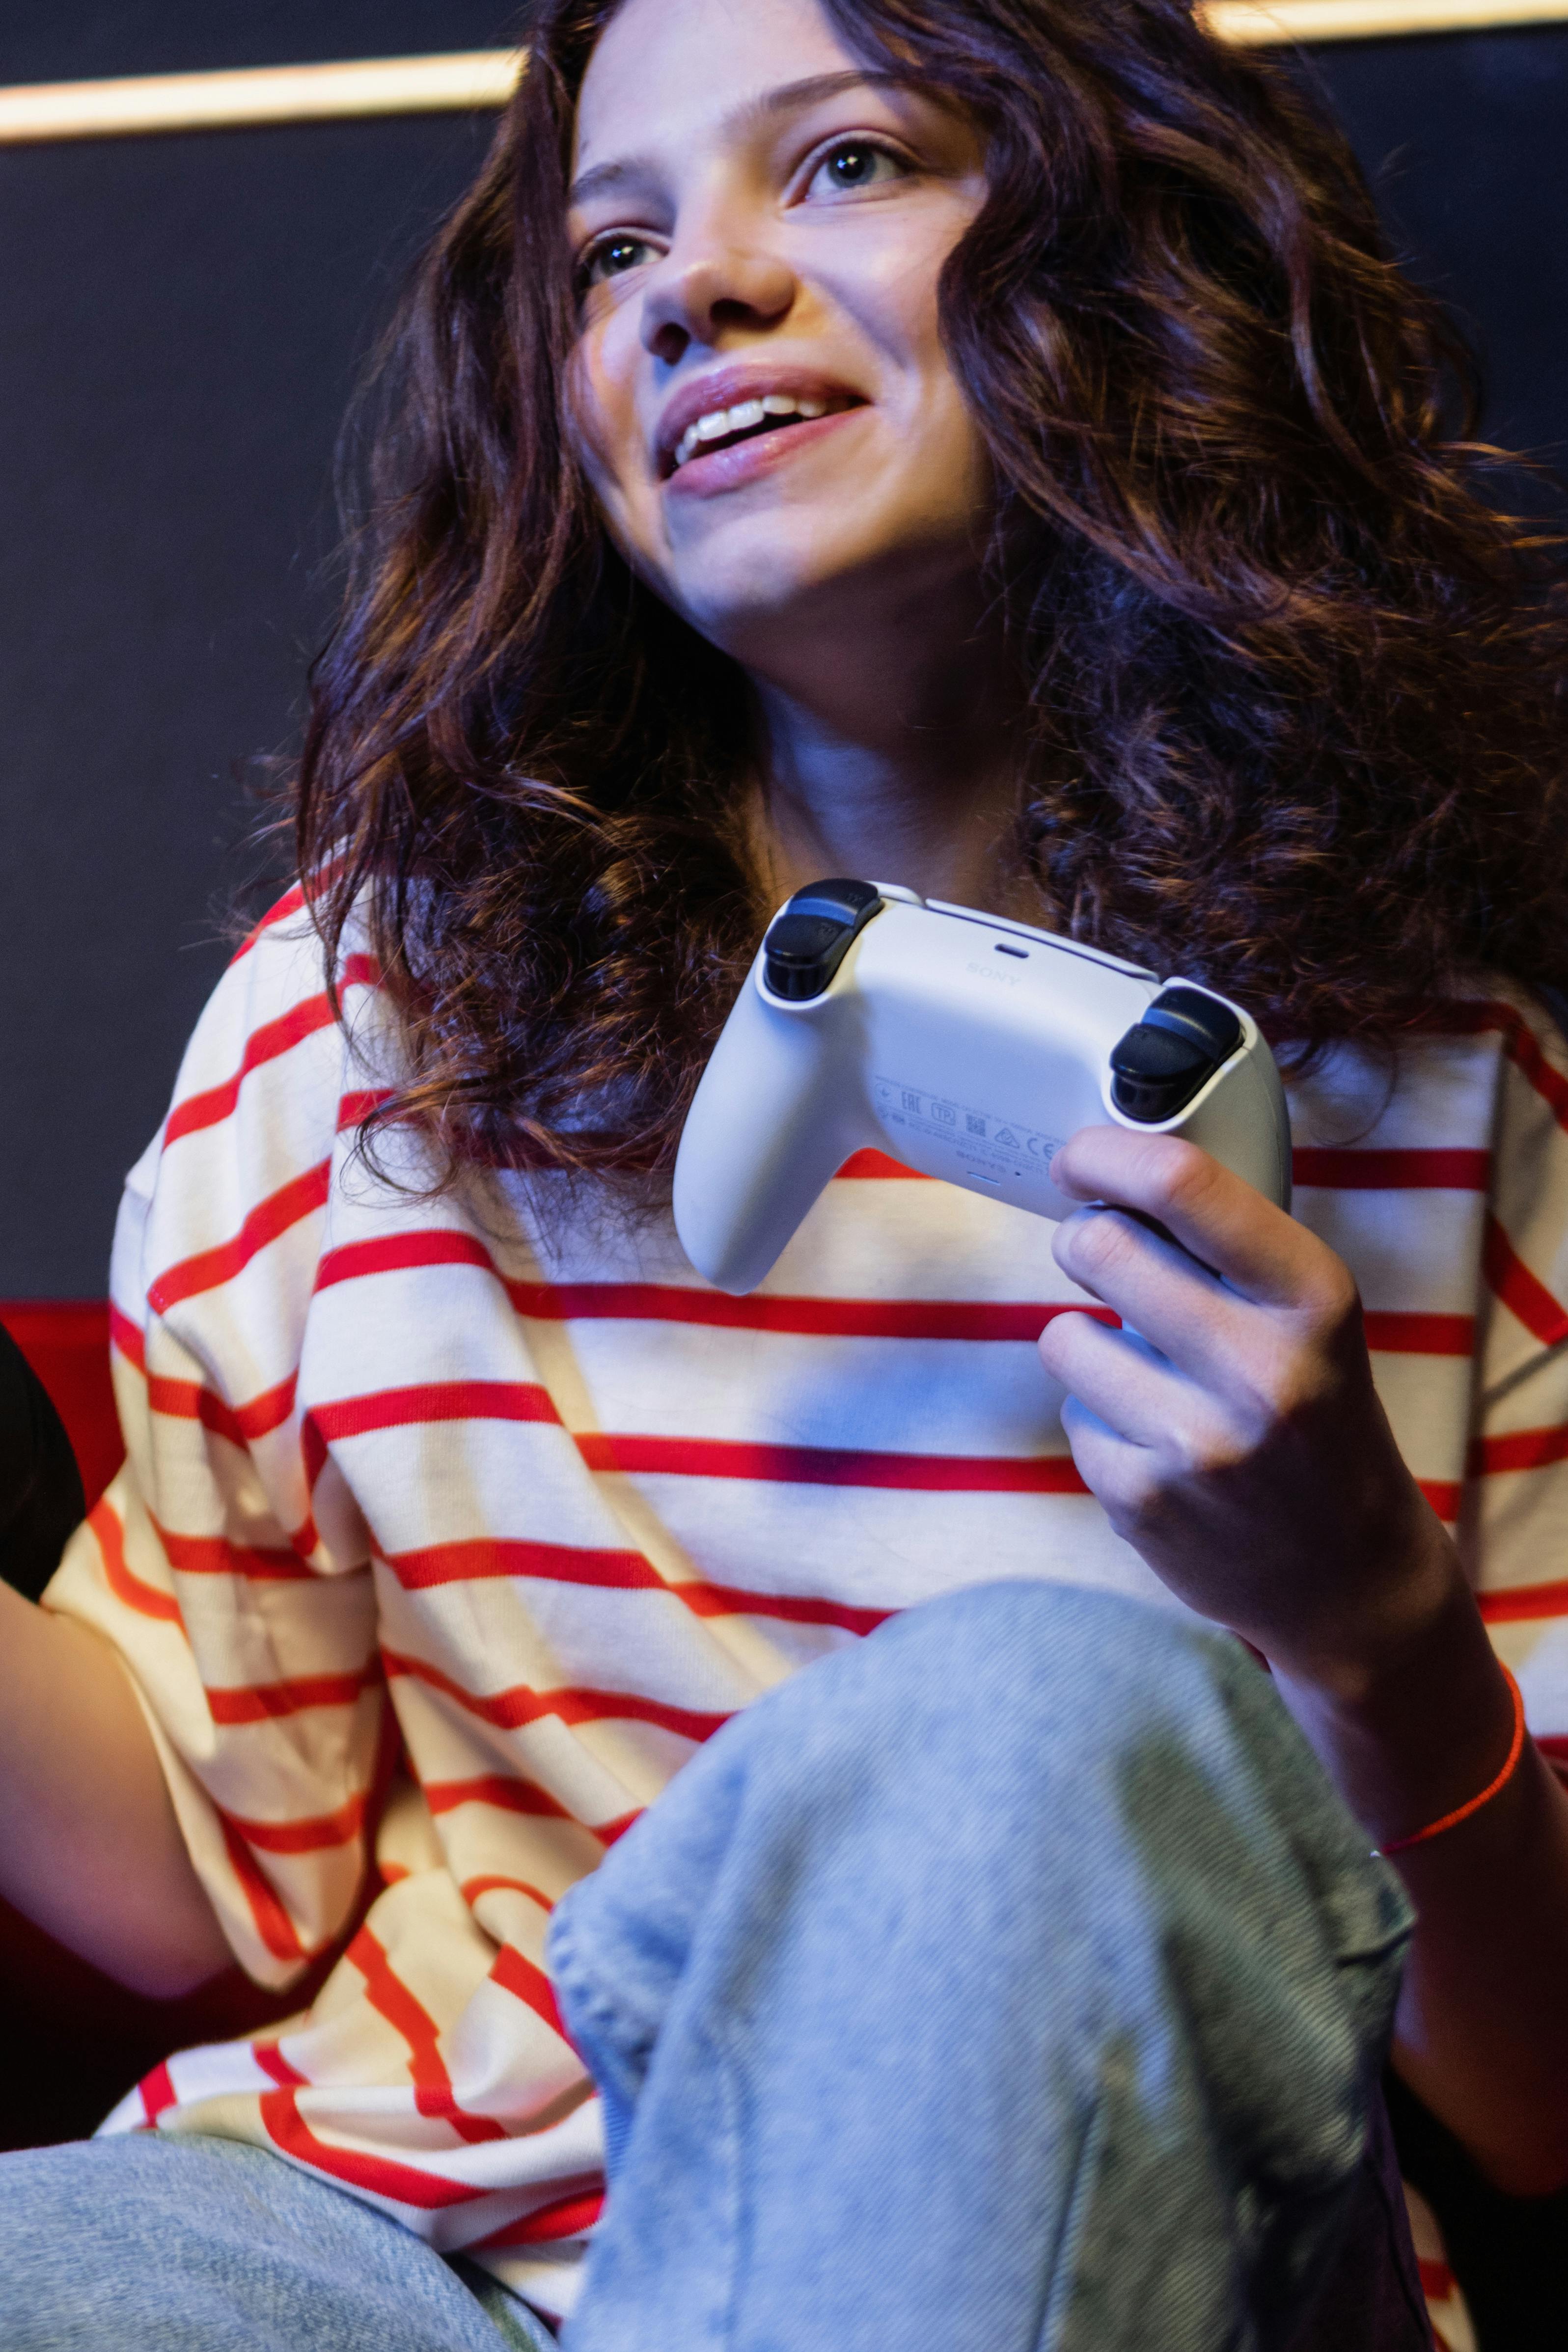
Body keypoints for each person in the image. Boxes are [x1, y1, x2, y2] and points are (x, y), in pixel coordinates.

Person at [3, 0, 1568, 2343]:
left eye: (840, 166)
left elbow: (1546, 2108)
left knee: (1029, 1722)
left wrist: (1365, 1625)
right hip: (375, 2237)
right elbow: (198, 1867)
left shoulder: (1448, 1092)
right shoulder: (351, 1027)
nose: (686, 284)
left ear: (1119, 254)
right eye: (609, 240)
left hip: (1048, 2230)